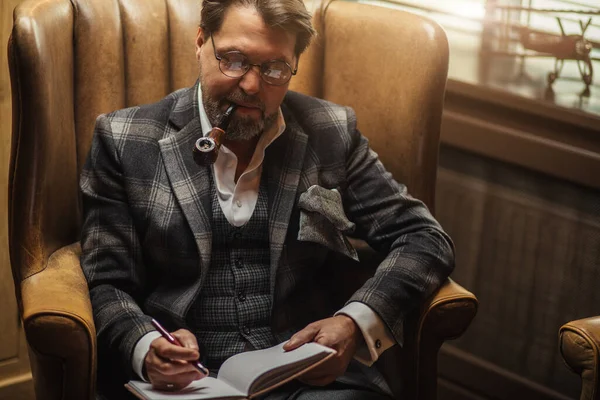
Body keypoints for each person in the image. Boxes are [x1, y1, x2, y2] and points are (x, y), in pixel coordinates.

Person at [79, 0, 455, 398]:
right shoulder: (122, 138)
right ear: (201, 42)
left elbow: (424, 238)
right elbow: (106, 282)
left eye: (274, 68)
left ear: (293, 66)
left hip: (309, 378)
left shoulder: (332, 131)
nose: (252, 86)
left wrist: (353, 322)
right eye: (235, 60)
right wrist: (144, 346)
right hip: (181, 384)